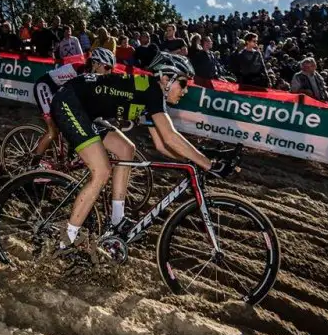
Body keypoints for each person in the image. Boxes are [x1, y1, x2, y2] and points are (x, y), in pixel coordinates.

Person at [49, 51, 231, 265]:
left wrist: (192, 160)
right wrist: (207, 164)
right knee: (102, 171)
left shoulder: (150, 94)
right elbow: (171, 137)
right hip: (69, 101)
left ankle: (116, 220)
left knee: (127, 149)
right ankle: (65, 242)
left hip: (86, 110)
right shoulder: (153, 90)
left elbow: (162, 145)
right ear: (166, 78)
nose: (185, 89)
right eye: (183, 83)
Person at [30, 48, 116, 168]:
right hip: (45, 87)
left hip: (59, 91)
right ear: (96, 64)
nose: (109, 72)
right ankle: (33, 164)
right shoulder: (82, 72)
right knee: (52, 131)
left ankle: (66, 156)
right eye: (107, 68)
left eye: (111, 69)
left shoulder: (95, 76)